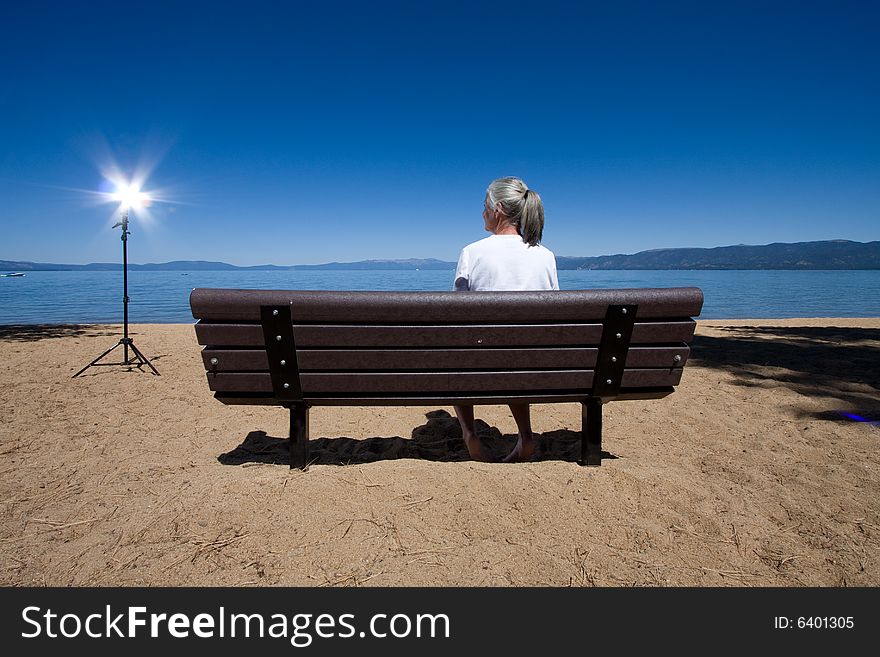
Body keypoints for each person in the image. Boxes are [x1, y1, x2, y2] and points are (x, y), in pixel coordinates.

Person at [452, 176, 559, 462]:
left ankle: (470, 435)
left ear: (497, 208)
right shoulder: (545, 256)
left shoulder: (472, 252)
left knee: (454, 354)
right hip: (534, 363)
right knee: (517, 346)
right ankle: (525, 436)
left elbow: (458, 314)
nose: (482, 212)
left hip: (482, 361)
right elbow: (555, 312)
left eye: (484, 206)